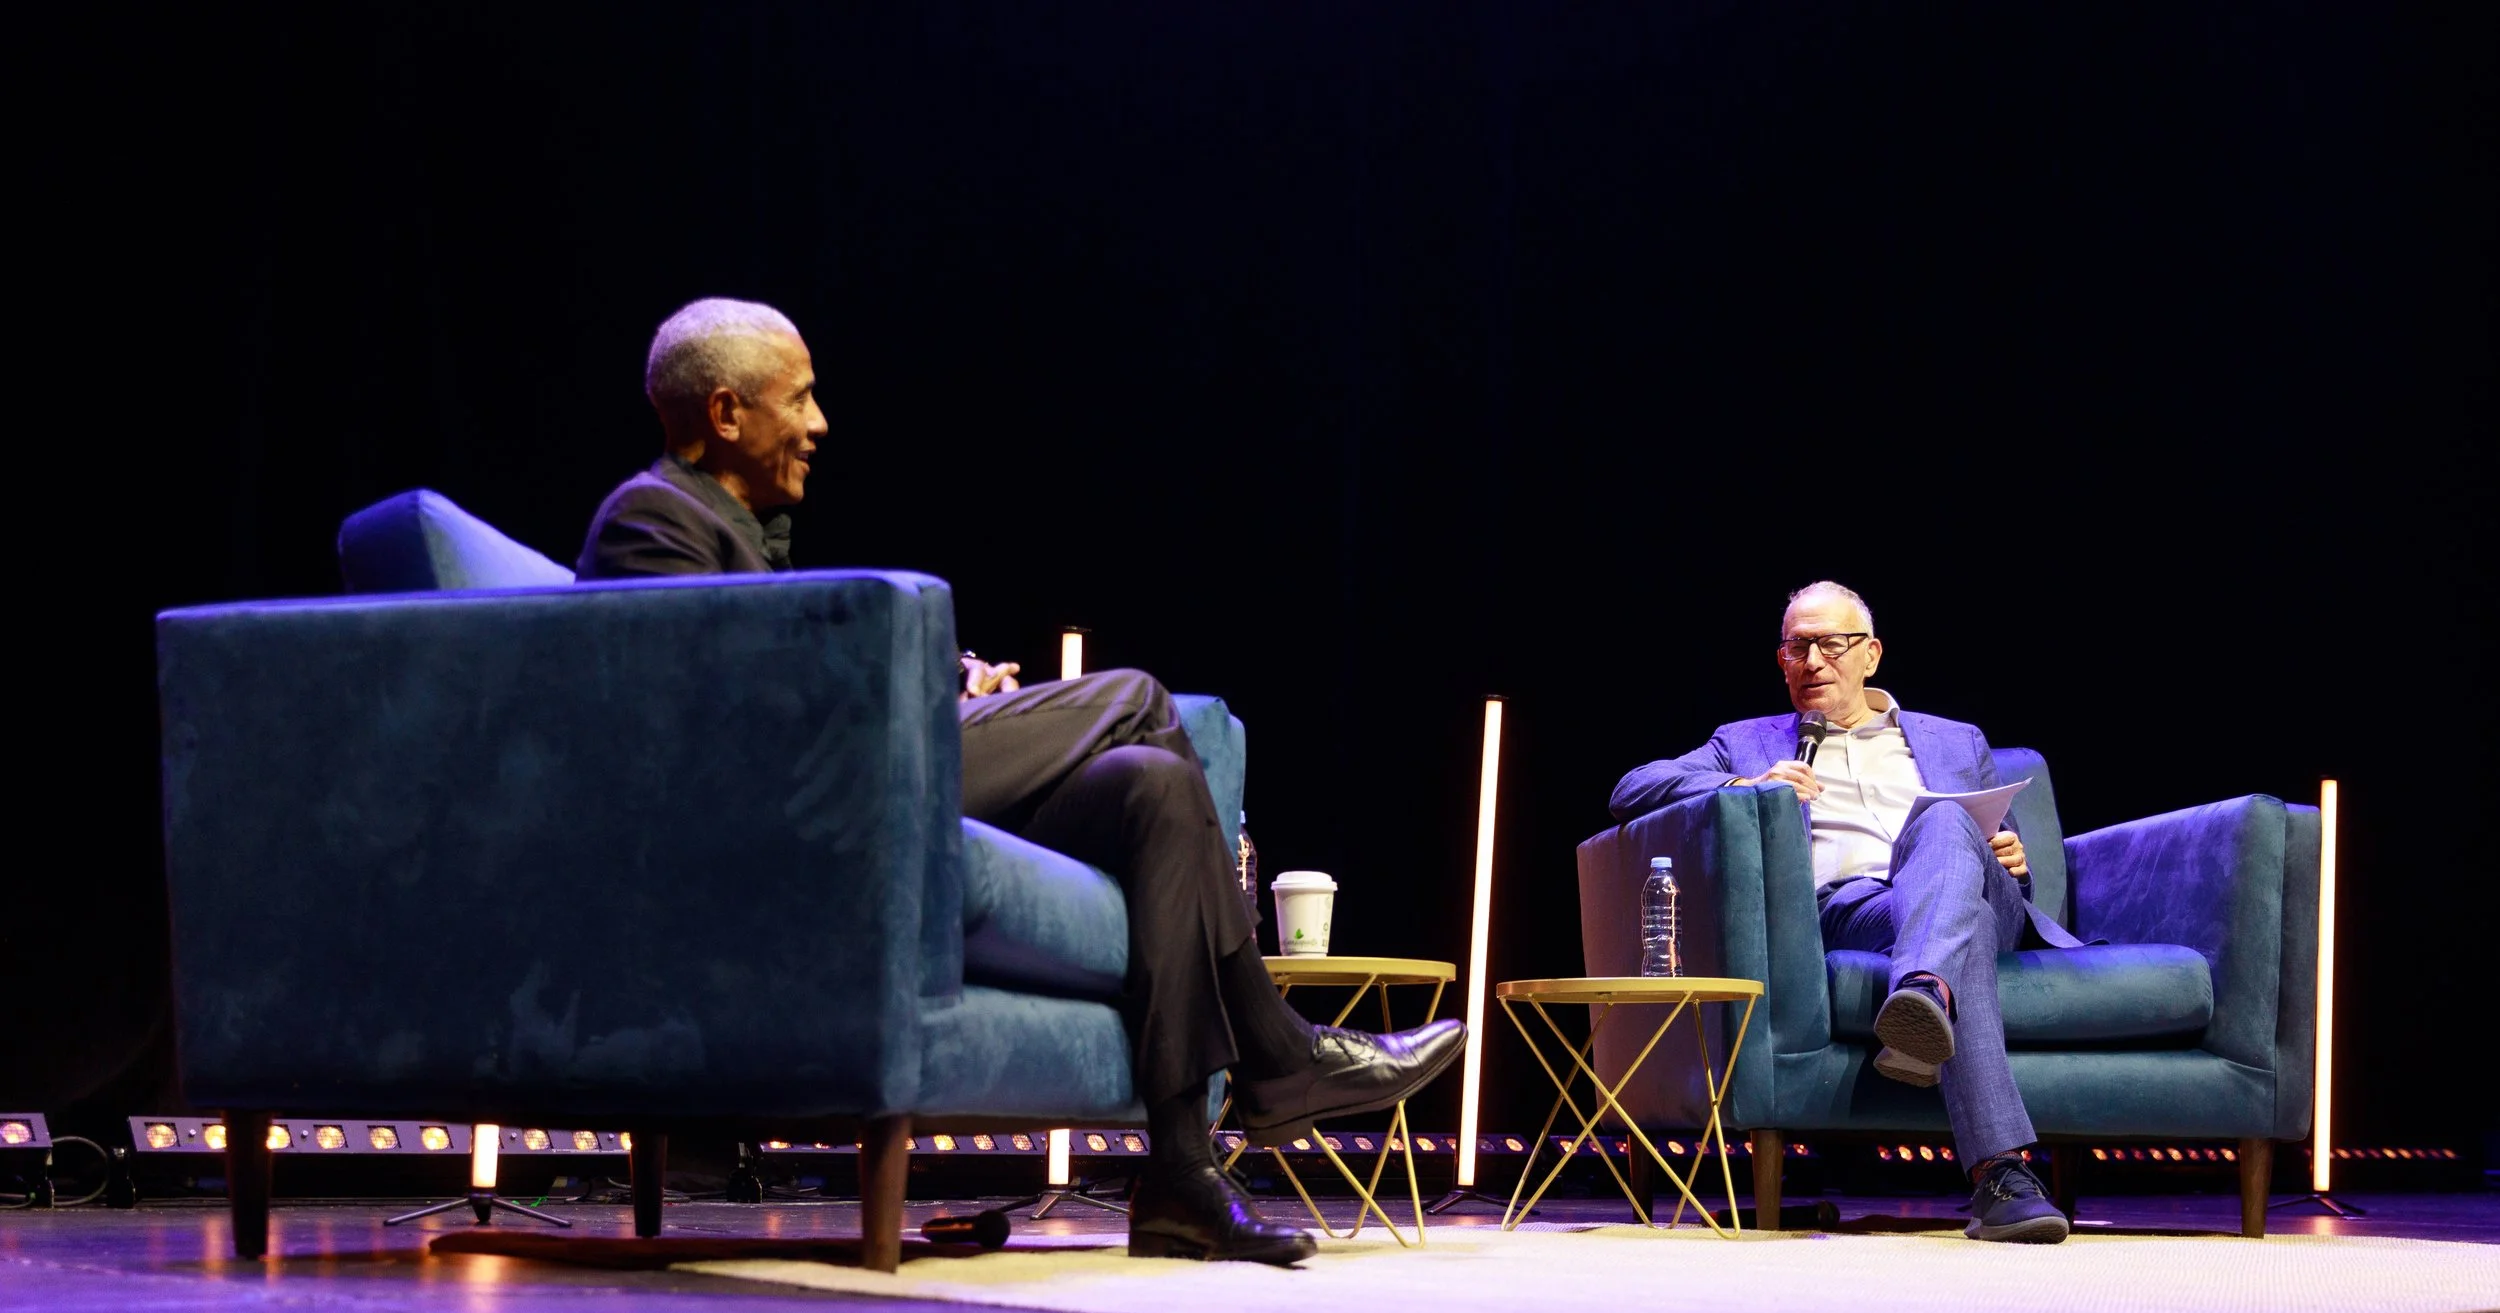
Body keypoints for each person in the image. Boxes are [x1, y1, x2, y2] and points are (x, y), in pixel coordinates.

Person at [581, 298, 1465, 1264]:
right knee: (1134, 698)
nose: (821, 423)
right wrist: (920, 697)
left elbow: (797, 663)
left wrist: (943, 686)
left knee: (1155, 787)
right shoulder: (650, 518)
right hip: (819, 809)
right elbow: (733, 716)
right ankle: (1277, 1050)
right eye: (800, 399)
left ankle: (1180, 1176)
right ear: (724, 414)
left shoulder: (742, 531)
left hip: (869, 781)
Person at [1610, 580, 2074, 1243]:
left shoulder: (1955, 739)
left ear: (1871, 654)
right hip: (1849, 911)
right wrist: (1747, 782)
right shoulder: (1745, 742)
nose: (1813, 660)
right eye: (1797, 647)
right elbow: (1631, 789)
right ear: (1781, 661)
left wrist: (2006, 851)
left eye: (1831, 643)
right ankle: (1998, 1164)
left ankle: (1921, 995)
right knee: (1953, 921)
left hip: (1971, 894)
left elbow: (1990, 830)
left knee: (1946, 824)